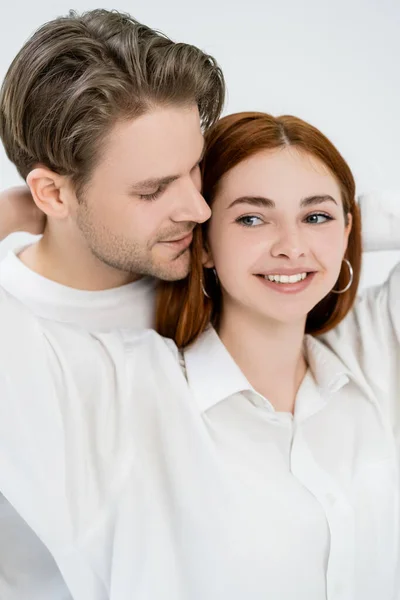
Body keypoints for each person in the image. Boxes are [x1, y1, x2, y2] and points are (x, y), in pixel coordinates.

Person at [1, 111, 399, 600]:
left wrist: (353, 230)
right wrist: (21, 211)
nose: (291, 247)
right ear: (203, 244)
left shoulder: (376, 354)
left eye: (315, 216)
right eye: (252, 217)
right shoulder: (120, 394)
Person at [0, 8, 224, 600]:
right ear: (51, 191)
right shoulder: (12, 334)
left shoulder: (226, 272)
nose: (198, 209)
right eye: (152, 190)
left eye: (195, 167)